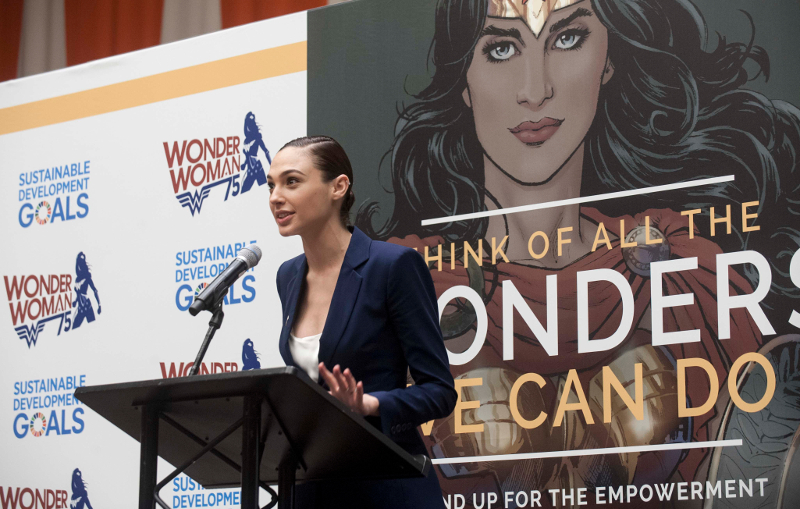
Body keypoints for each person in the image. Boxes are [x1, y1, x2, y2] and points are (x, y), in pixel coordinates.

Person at [355, 0, 800, 503]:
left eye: (568, 39)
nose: (535, 90)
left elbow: (756, 461)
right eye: (501, 47)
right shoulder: (409, 280)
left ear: (607, 60)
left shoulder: (681, 269)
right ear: (464, 79)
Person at [269, 135, 457, 508]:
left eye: (291, 181)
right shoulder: (287, 276)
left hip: (384, 487)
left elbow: (439, 391)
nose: (275, 196)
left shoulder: (392, 267)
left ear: (338, 187)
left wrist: (371, 405)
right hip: (311, 488)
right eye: (271, 185)